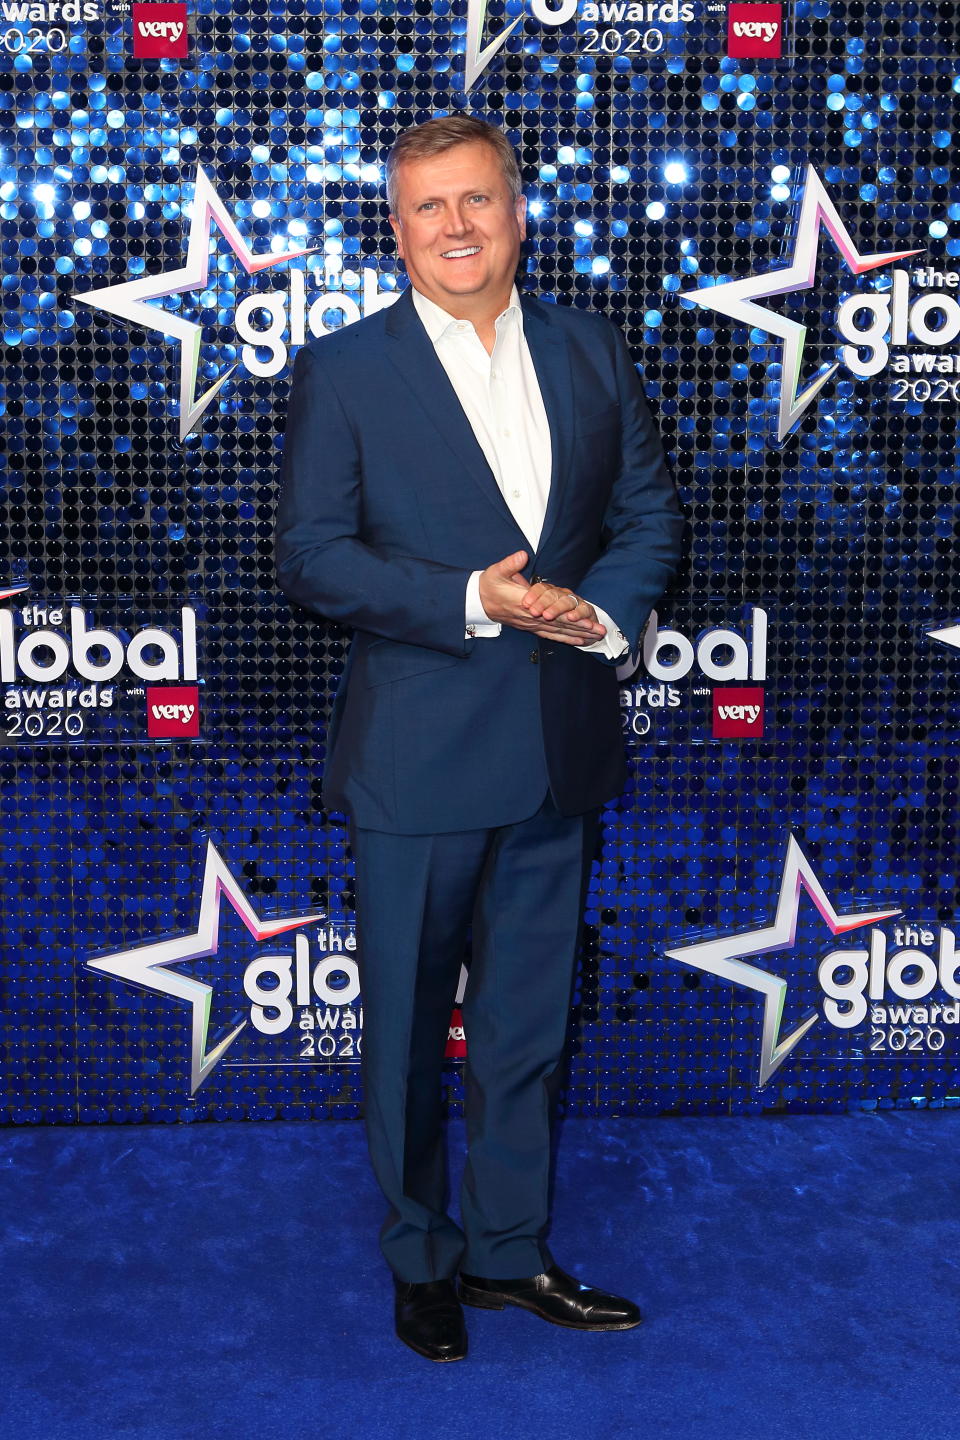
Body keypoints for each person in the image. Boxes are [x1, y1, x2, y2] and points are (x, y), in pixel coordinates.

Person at [275, 114, 684, 1362]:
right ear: (395, 232)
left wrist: (600, 612)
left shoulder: (591, 348)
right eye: (426, 209)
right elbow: (312, 557)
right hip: (419, 759)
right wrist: (473, 599)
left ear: (519, 213)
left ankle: (509, 1254)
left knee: (525, 1024)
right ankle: (423, 1258)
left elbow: (649, 511)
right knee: (403, 1033)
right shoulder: (346, 370)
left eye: (476, 201)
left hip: (560, 745)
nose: (455, 227)